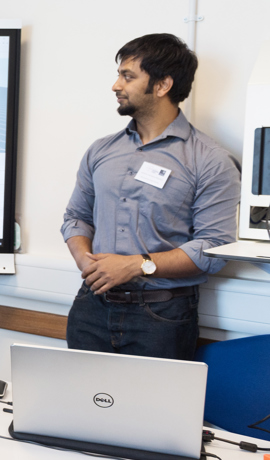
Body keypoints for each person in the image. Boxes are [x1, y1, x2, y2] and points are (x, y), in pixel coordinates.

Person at [61, 33, 240, 360]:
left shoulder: (211, 160)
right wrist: (85, 260)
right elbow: (76, 217)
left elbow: (214, 247)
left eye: (128, 76)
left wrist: (136, 266)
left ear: (162, 86)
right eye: (118, 75)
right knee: (81, 409)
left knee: (152, 412)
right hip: (90, 307)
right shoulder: (100, 150)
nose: (116, 85)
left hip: (161, 318)